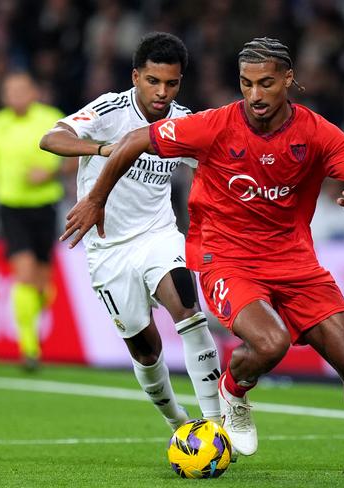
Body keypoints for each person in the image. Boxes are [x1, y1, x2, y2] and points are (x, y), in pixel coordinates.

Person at [59, 37, 344, 473]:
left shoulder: (317, 133)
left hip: (295, 262)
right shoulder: (213, 125)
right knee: (270, 342)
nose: (254, 95)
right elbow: (136, 140)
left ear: (288, 79)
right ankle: (233, 392)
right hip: (226, 258)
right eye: (246, 83)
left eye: (266, 83)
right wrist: (96, 199)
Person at [39, 32, 221, 430]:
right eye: (153, 81)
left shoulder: (184, 123)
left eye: (171, 83)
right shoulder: (110, 109)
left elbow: (217, 164)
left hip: (158, 235)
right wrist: (103, 149)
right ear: (136, 76)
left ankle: (216, 424)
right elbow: (51, 138)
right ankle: (178, 422)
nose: (162, 92)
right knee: (145, 349)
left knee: (189, 313)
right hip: (107, 250)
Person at [0, 71, 71, 371]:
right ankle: (29, 348)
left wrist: (50, 173)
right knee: (24, 273)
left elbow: (75, 157)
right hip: (11, 207)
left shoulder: (53, 119)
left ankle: (31, 335)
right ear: (3, 95)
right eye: (9, 90)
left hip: (46, 205)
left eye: (21, 89)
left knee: (42, 283)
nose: (15, 95)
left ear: (34, 92)